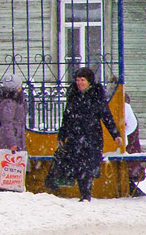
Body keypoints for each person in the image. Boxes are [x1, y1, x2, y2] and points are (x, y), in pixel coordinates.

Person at [48, 67, 122, 202]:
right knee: (77, 165)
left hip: (92, 137)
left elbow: (106, 116)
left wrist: (115, 134)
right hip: (75, 137)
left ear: (89, 81)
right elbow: (67, 117)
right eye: (77, 80)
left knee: (88, 167)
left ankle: (85, 194)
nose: (79, 83)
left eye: (83, 80)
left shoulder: (96, 96)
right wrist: (61, 135)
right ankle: (83, 194)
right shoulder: (73, 96)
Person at [0, 74, 27, 152]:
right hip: (13, 140)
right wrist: (12, 143)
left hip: (16, 138)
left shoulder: (16, 100)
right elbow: (7, 123)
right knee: (13, 162)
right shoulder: (10, 103)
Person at [124, 92, 146, 197]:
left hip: (130, 152)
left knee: (127, 178)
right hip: (131, 151)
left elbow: (131, 130)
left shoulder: (127, 113)